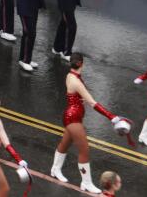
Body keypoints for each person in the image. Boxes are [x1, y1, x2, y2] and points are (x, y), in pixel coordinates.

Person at [51, 53, 129, 193]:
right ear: (81, 63)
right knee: (84, 150)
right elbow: (92, 102)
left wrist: (80, 98)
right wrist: (112, 117)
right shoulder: (76, 81)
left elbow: (76, 95)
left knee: (65, 143)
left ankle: (55, 169)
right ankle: (86, 182)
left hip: (71, 115)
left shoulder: (70, 76)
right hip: (74, 118)